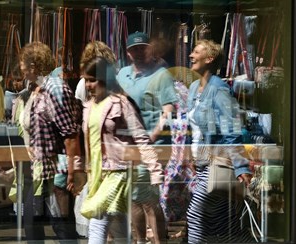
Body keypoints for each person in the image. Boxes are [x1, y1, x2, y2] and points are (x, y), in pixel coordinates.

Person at [80, 56, 164, 244]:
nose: (88, 85)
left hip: (118, 171)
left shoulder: (121, 103)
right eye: (86, 80)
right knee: (118, 227)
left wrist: (155, 170)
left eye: (92, 80)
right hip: (96, 173)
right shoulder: (88, 107)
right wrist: (79, 168)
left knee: (98, 218)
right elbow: (88, 143)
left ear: (103, 79)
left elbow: (141, 137)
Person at [186, 39, 253, 243]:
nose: (191, 55)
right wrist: (192, 156)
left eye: (196, 52)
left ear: (209, 58)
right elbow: (194, 128)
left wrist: (241, 166)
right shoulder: (193, 88)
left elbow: (231, 129)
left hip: (218, 160)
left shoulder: (219, 88)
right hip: (203, 162)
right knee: (223, 222)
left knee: (194, 214)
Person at [17, 42, 83, 242]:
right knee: (31, 220)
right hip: (37, 169)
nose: (19, 67)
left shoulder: (55, 87)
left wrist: (73, 173)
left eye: (22, 63)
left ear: (33, 65)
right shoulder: (32, 89)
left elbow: (70, 134)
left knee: (61, 224)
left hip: (55, 170)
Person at [117, 31, 178, 243]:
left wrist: (153, 135)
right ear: (128, 52)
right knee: (134, 198)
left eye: (142, 48)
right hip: (128, 147)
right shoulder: (122, 74)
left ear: (149, 49)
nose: (139, 52)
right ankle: (140, 240)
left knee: (148, 198)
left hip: (151, 146)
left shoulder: (161, 74)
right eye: (134, 49)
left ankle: (159, 240)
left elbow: (169, 109)